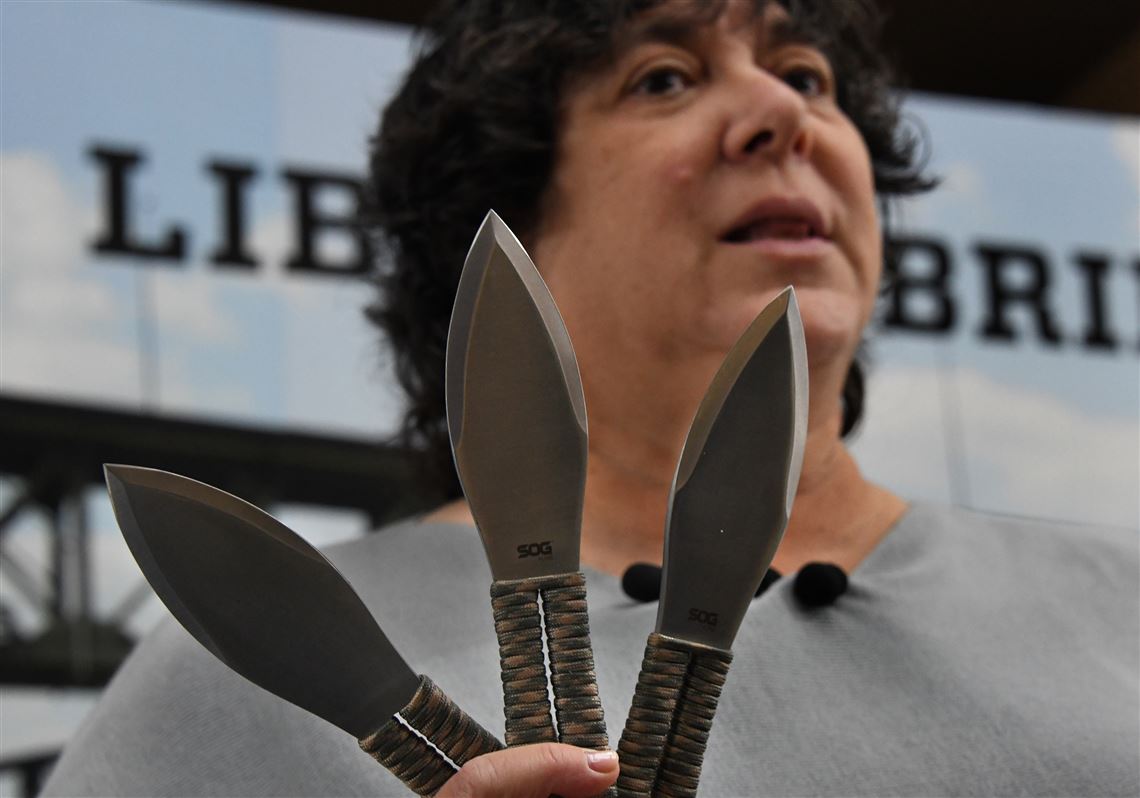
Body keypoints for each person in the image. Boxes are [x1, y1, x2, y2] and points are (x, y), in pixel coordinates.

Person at [44, 1, 1139, 796]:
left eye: (808, 76)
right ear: (506, 221)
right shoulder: (227, 679)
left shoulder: (1119, 600)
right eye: (663, 76)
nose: (779, 112)